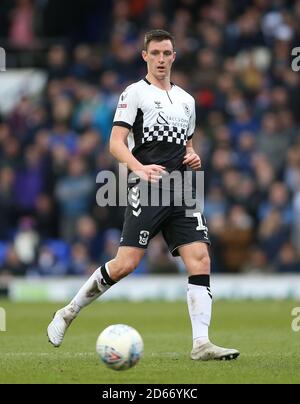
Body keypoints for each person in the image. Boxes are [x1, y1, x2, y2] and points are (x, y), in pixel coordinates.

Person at [47, 29, 239, 361]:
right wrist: (140, 169)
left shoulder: (187, 101)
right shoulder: (134, 94)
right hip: (148, 188)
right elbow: (115, 143)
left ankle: (201, 343)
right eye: (156, 54)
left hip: (181, 188)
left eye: (167, 53)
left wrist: (193, 156)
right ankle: (68, 312)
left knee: (201, 259)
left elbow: (187, 145)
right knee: (126, 264)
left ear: (174, 56)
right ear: (145, 56)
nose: (162, 60)